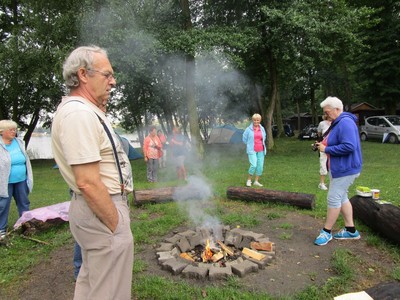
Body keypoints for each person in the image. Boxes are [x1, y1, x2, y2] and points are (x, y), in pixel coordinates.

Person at [51, 45, 134, 299]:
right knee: (110, 291)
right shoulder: (78, 113)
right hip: (101, 209)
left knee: (92, 283)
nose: (113, 81)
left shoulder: (85, 110)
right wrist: (115, 223)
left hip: (96, 210)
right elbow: (87, 181)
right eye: (107, 75)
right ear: (84, 74)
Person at [314, 96, 362, 246]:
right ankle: (351, 230)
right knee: (342, 197)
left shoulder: (346, 122)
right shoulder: (337, 122)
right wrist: (321, 144)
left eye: (327, 112)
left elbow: (349, 146)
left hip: (346, 168)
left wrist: (326, 149)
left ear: (337, 109)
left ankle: (326, 232)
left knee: (333, 198)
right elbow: (336, 141)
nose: (326, 115)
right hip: (339, 167)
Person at [0, 120, 33, 240]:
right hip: (5, 182)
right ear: (2, 131)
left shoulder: (19, 142)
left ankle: (26, 225)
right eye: (11, 130)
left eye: (15, 129)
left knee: (24, 203)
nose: (14, 132)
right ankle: (1, 230)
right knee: (3, 205)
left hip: (21, 180)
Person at [242, 113, 267, 187]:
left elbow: (264, 137)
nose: (256, 122)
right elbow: (244, 139)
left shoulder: (262, 128)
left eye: (258, 120)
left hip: (261, 150)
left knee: (260, 166)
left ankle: (256, 181)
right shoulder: (248, 129)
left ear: (260, 120)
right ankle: (249, 180)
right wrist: (249, 144)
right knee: (253, 165)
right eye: (255, 120)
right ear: (252, 120)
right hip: (252, 150)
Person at [317, 115, 332, 190]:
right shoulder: (322, 123)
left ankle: (333, 183)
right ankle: (321, 183)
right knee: (323, 164)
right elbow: (319, 133)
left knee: (332, 165)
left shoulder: (337, 123)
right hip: (323, 146)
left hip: (333, 147)